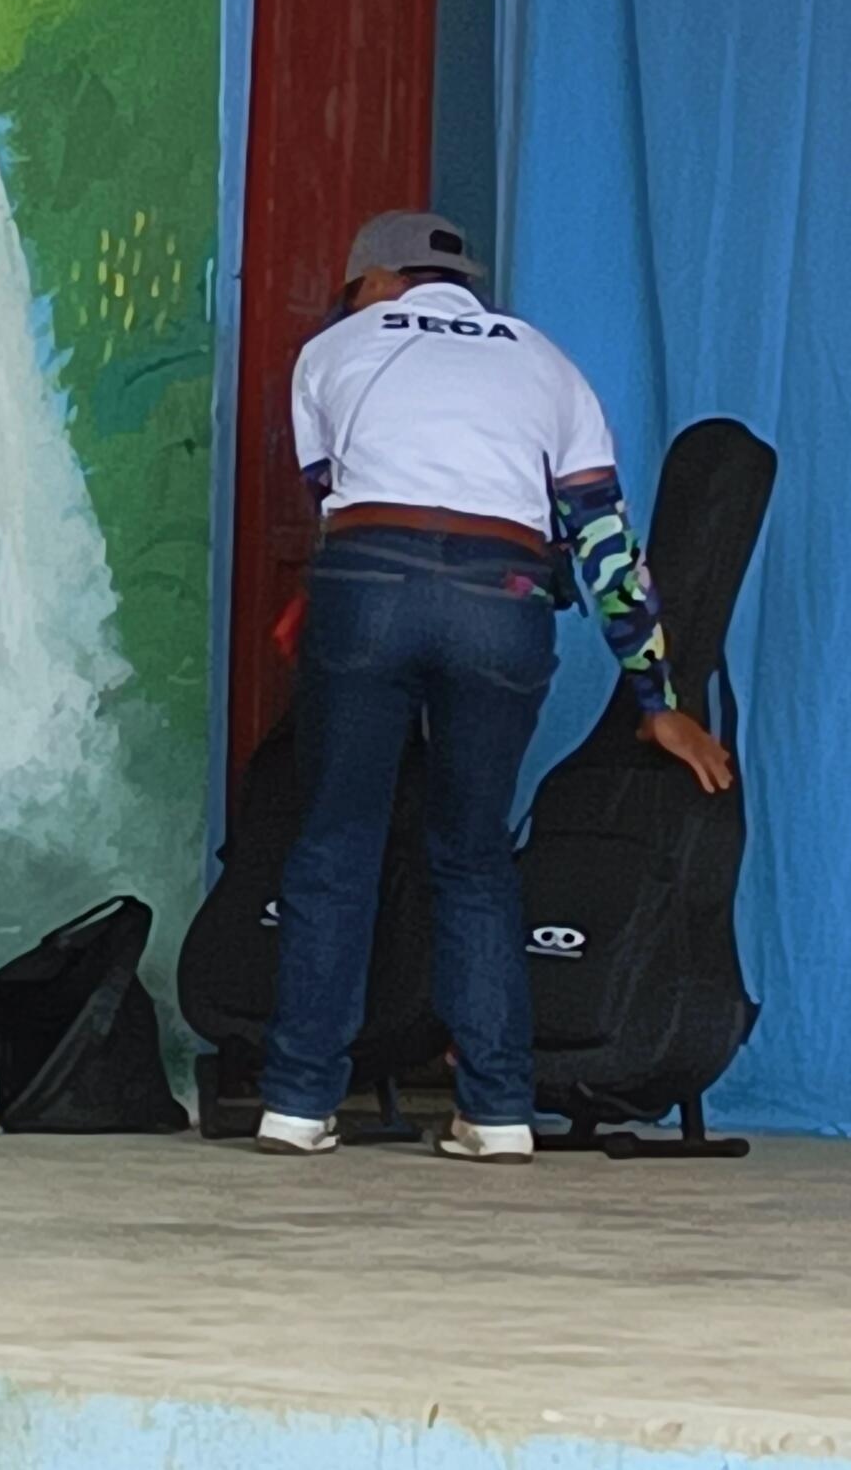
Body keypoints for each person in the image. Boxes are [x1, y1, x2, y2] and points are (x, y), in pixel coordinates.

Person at [256, 211, 733, 1167]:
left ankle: (299, 1104)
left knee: (337, 845)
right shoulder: (546, 361)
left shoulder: (335, 349)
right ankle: (499, 1110)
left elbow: (333, 499)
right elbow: (604, 541)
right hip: (502, 596)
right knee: (473, 856)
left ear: (374, 283)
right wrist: (657, 701)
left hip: (370, 584)